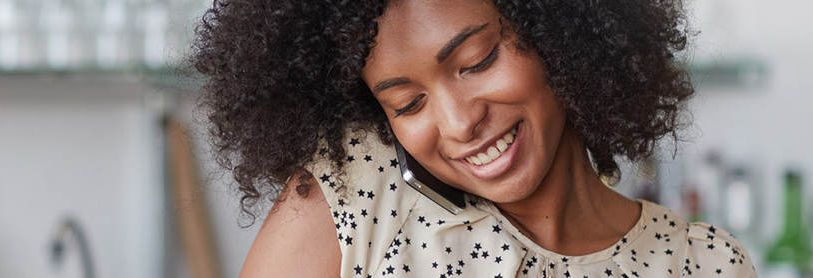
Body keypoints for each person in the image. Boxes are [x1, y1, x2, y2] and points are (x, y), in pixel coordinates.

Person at [190, 0, 756, 277]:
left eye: (477, 60)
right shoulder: (352, 200)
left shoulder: (703, 265)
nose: (460, 123)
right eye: (407, 104)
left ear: (557, 26)